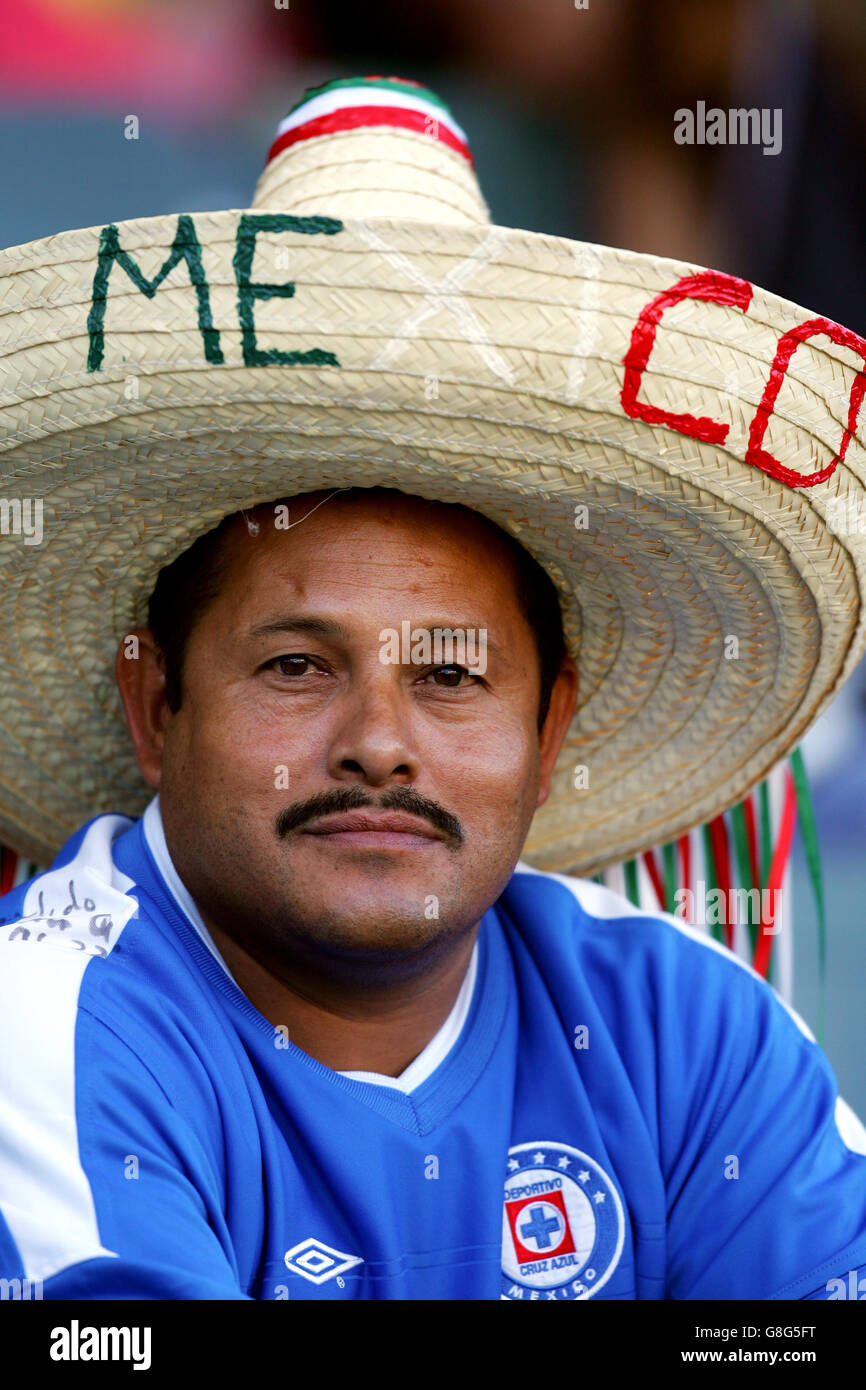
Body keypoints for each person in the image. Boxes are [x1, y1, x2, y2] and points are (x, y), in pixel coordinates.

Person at [0, 75, 865, 1302]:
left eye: (452, 673)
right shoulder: (46, 1023)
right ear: (155, 709)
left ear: (547, 722)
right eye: (297, 665)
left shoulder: (678, 1023)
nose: (380, 745)